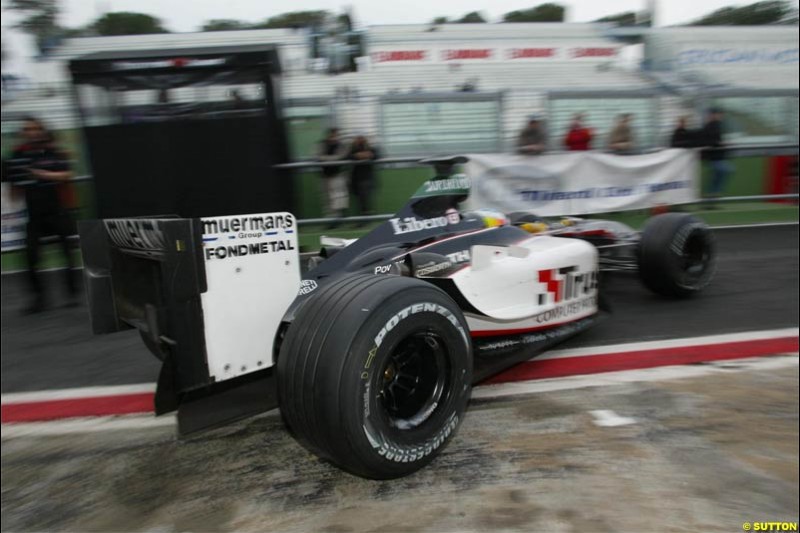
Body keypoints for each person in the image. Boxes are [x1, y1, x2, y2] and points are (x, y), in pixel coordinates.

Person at [2, 117, 78, 313]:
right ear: (23, 133)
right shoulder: (17, 155)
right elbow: (14, 184)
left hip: (58, 209)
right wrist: (12, 198)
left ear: (42, 131)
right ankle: (38, 299)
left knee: (68, 252)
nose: (32, 132)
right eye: (28, 129)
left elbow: (66, 175)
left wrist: (40, 174)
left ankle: (72, 294)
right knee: (30, 255)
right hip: (34, 213)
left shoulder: (54, 151)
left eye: (35, 128)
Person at [317, 128, 349, 222]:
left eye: (336, 135)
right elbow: (318, 156)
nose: (334, 137)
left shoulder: (341, 145)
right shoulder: (322, 144)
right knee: (326, 199)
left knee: (338, 197)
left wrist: (326, 159)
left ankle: (338, 218)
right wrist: (332, 159)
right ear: (328, 135)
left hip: (337, 175)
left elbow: (341, 156)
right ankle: (329, 220)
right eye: (332, 135)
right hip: (325, 176)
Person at [699, 107, 731, 199]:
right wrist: (720, 143)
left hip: (717, 156)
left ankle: (712, 194)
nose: (721, 116)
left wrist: (722, 143)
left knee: (718, 174)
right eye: (719, 114)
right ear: (713, 115)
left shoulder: (717, 125)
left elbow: (715, 139)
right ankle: (712, 193)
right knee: (724, 170)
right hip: (713, 156)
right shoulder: (710, 126)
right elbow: (708, 141)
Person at [346, 135, 380, 219]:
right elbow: (349, 156)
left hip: (367, 177)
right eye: (358, 139)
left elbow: (375, 155)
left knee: (364, 197)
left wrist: (363, 155)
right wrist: (359, 155)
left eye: (362, 138)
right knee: (359, 199)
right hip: (355, 178)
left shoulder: (371, 148)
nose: (360, 140)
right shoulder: (353, 149)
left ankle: (365, 216)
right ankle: (363, 216)